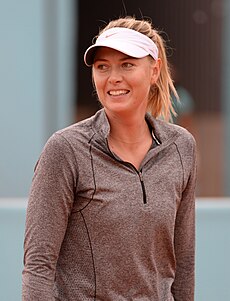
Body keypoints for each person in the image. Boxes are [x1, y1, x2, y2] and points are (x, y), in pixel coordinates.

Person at [22, 16, 197, 301]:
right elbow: (38, 266)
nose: (113, 77)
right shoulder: (66, 149)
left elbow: (184, 263)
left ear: (154, 70)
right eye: (103, 67)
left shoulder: (181, 147)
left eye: (127, 64)